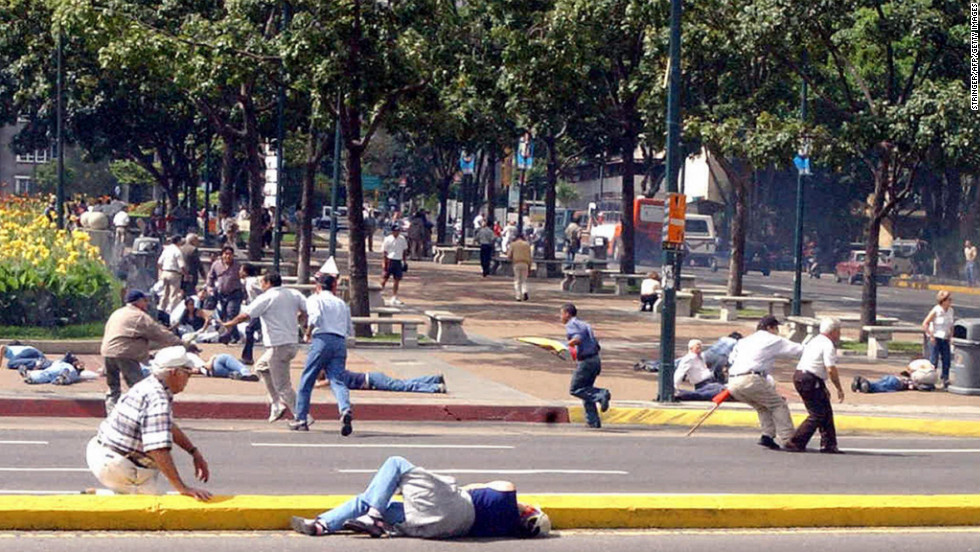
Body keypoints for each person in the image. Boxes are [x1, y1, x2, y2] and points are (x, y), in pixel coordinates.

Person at [290, 456, 550, 540]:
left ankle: (367, 517)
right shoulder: (505, 529)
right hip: (440, 528)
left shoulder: (507, 494)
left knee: (396, 463)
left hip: (458, 505)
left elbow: (477, 486)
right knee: (375, 500)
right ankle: (323, 525)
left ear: (528, 512)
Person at [85, 346, 212, 500]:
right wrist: (182, 487)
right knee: (152, 507)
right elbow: (157, 448)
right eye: (187, 373)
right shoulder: (157, 398)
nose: (188, 378)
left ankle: (101, 494)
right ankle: (102, 497)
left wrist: (193, 451)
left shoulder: (150, 385)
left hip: (102, 453)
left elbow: (167, 425)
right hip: (119, 465)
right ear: (175, 373)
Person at [222, 271, 307, 424]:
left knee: (283, 386)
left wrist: (229, 324)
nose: (260, 285)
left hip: (277, 346)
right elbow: (306, 310)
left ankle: (302, 416)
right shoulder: (294, 294)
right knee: (261, 367)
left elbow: (246, 314)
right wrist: (299, 321)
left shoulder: (267, 296)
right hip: (292, 343)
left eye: (262, 282)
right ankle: (276, 404)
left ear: (268, 283)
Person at [101, 290, 187, 415]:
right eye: (145, 300)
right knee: (139, 388)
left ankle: (112, 414)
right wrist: (182, 344)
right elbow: (159, 333)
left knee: (113, 387)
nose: (147, 303)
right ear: (138, 302)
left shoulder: (117, 313)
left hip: (108, 352)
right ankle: (142, 415)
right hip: (125, 353)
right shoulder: (139, 316)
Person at [726, 315, 804, 450]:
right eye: (776, 328)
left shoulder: (744, 341)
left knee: (762, 406)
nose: (777, 331)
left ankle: (767, 436)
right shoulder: (772, 339)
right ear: (770, 328)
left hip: (733, 381)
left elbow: (731, 359)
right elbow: (798, 350)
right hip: (750, 379)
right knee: (778, 404)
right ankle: (788, 438)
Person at [290, 272, 354, 433]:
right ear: (334, 286)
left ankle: (301, 418)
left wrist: (308, 332)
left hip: (321, 339)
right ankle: (344, 408)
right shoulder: (341, 303)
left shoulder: (314, 299)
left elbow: (315, 317)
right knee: (337, 380)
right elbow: (349, 328)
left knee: (307, 379)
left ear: (318, 286)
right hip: (339, 341)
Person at [784, 317, 845, 454]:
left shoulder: (815, 340)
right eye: (839, 331)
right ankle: (795, 442)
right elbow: (830, 369)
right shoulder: (828, 345)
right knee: (817, 414)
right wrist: (838, 388)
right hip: (809, 379)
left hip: (803, 376)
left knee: (826, 411)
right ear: (833, 331)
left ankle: (829, 444)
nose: (840, 334)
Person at [560, 303, 611, 429]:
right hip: (595, 360)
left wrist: (565, 346)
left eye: (561, 314)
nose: (560, 317)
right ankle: (593, 421)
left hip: (586, 362)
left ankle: (601, 394)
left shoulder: (571, 324)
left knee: (576, 389)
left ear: (567, 314)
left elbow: (578, 338)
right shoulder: (585, 324)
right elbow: (595, 343)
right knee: (586, 390)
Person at [207, 246, 245, 343]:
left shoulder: (237, 266)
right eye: (226, 254)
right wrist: (209, 287)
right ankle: (236, 336)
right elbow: (210, 277)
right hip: (222, 294)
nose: (228, 256)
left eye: (230, 254)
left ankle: (227, 336)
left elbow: (244, 277)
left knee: (231, 313)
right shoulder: (216, 265)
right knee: (224, 315)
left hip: (235, 294)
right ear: (222, 255)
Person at [921, 290, 954, 389]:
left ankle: (945, 379)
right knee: (933, 360)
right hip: (935, 337)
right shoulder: (936, 310)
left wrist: (951, 336)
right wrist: (931, 335)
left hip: (945, 338)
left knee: (946, 359)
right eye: (948, 299)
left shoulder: (951, 310)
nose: (950, 301)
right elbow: (925, 323)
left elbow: (951, 325)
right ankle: (931, 380)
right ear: (943, 301)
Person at [319, 370, 446, 394]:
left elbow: (322, 385)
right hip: (374, 378)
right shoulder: (337, 374)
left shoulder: (335, 377)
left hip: (373, 380)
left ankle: (435, 388)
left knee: (402, 386)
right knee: (403, 383)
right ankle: (434, 379)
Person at [852, 358, 939, 393]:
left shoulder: (913, 367)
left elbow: (909, 371)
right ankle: (865, 384)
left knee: (881, 384)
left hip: (895, 380)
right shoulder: (926, 363)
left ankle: (865, 384)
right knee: (882, 385)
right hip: (932, 375)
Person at [238, 263, 265, 364]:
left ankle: (247, 357)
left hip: (261, 310)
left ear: (245, 272)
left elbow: (264, 289)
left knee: (249, 329)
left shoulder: (252, 282)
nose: (239, 272)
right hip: (257, 309)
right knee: (250, 330)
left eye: (241, 270)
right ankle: (247, 356)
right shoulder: (248, 281)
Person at [21, 353, 95, 385]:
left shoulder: (58, 362)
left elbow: (46, 364)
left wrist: (38, 366)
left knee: (45, 374)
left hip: (53, 369)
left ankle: (30, 376)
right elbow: (79, 374)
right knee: (68, 375)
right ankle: (62, 377)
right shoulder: (71, 368)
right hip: (65, 370)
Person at [380, 224, 409, 306]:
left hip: (398, 260)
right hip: (390, 260)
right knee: (384, 278)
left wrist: (404, 261)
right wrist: (384, 262)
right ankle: (379, 294)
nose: (397, 232)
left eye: (398, 231)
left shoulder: (402, 239)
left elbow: (404, 251)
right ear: (392, 231)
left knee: (397, 280)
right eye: (395, 231)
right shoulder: (388, 239)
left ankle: (394, 297)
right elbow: (384, 252)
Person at [157, 235, 186, 313]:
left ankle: (161, 309)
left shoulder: (166, 250)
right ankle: (171, 311)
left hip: (165, 272)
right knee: (173, 294)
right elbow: (182, 265)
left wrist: (162, 270)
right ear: (178, 241)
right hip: (174, 274)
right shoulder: (177, 251)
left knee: (164, 293)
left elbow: (159, 263)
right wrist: (185, 274)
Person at [507, 234, 533, 301]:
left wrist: (510, 258)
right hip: (525, 263)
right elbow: (530, 256)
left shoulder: (513, 244)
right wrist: (530, 265)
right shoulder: (527, 245)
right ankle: (525, 291)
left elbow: (509, 255)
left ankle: (518, 296)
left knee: (517, 280)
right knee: (524, 280)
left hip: (517, 263)